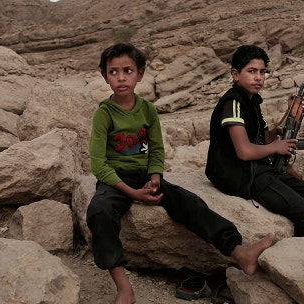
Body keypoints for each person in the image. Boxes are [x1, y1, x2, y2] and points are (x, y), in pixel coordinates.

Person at [86, 42, 274, 304]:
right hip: (115, 179)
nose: (121, 77)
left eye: (127, 71)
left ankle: (240, 252)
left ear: (140, 74)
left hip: (145, 176)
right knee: (99, 212)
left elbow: (156, 151)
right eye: (113, 72)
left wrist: (154, 178)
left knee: (190, 203)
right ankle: (123, 288)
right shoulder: (104, 114)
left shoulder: (148, 110)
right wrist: (133, 194)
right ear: (104, 76)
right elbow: (98, 164)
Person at [206, 45, 304, 238]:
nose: (258, 77)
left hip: (258, 169)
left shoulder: (253, 102)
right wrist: (275, 147)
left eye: (262, 72)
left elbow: (265, 138)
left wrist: (291, 111)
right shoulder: (233, 104)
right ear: (235, 74)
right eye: (252, 71)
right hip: (241, 176)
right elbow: (244, 151)